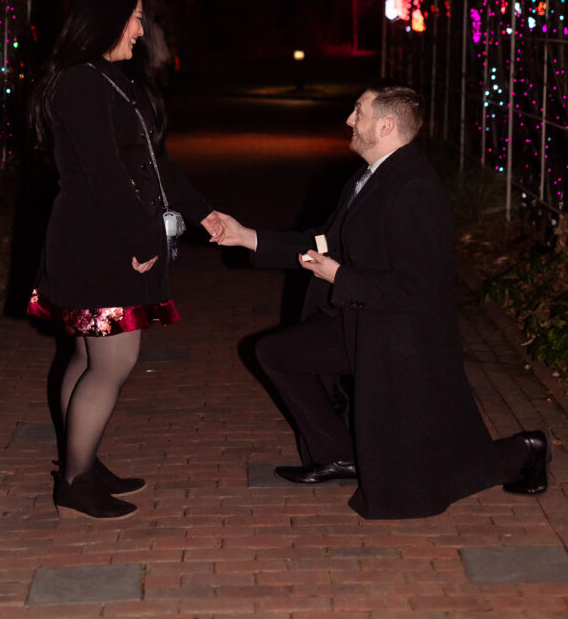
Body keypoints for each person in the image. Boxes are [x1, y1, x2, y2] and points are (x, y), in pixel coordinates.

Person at [212, 83, 551, 520]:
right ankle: (337, 455)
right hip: (361, 320)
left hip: (402, 340)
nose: (350, 120)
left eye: (359, 112)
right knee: (277, 352)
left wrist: (340, 276)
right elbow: (322, 241)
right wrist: (245, 237)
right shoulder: (369, 177)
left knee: (425, 475)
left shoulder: (414, 189)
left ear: (386, 125)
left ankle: (526, 450)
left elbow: (418, 288)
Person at [28, 0, 223, 519]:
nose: (142, 30)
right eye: (136, 18)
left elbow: (153, 163)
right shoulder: (80, 84)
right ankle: (74, 480)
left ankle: (81, 462)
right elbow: (106, 177)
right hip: (99, 241)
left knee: (89, 355)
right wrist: (144, 240)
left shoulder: (106, 79)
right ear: (106, 20)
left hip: (104, 235)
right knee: (113, 361)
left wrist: (201, 212)